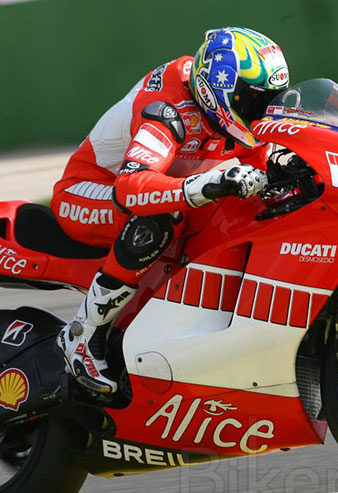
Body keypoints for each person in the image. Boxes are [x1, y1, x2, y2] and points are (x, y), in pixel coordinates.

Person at [52, 27, 290, 394]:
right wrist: (208, 184)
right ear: (218, 89)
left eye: (271, 99)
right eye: (253, 100)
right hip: (86, 194)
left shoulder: (232, 117)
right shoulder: (167, 108)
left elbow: (263, 160)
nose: (262, 111)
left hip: (144, 191)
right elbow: (131, 187)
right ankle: (83, 334)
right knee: (164, 215)